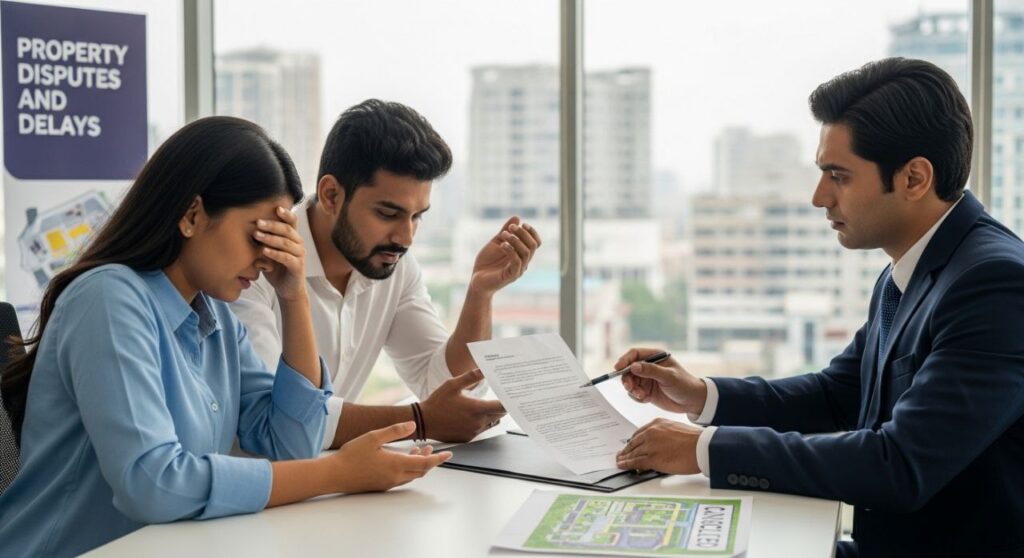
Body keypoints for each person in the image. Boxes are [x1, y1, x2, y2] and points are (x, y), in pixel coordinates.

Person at [614, 58, 1024, 558]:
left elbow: (899, 464)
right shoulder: (910, 269)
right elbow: (837, 395)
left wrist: (703, 449)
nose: (819, 197)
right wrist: (701, 394)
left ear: (914, 178)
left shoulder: (995, 284)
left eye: (839, 176)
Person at [0, 117, 450, 557]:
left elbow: (290, 444)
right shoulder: (108, 298)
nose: (268, 258)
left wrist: (294, 298)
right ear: (192, 215)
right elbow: (152, 483)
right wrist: (338, 473)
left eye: (280, 239)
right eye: (259, 236)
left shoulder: (215, 317)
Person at [231, 99, 541, 449]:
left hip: (330, 475)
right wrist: (419, 420)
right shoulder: (255, 267)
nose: (405, 237)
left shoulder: (393, 265)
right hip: (255, 477)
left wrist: (480, 294)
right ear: (331, 195)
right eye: (388, 213)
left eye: (417, 216)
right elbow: (277, 418)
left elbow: (446, 390)